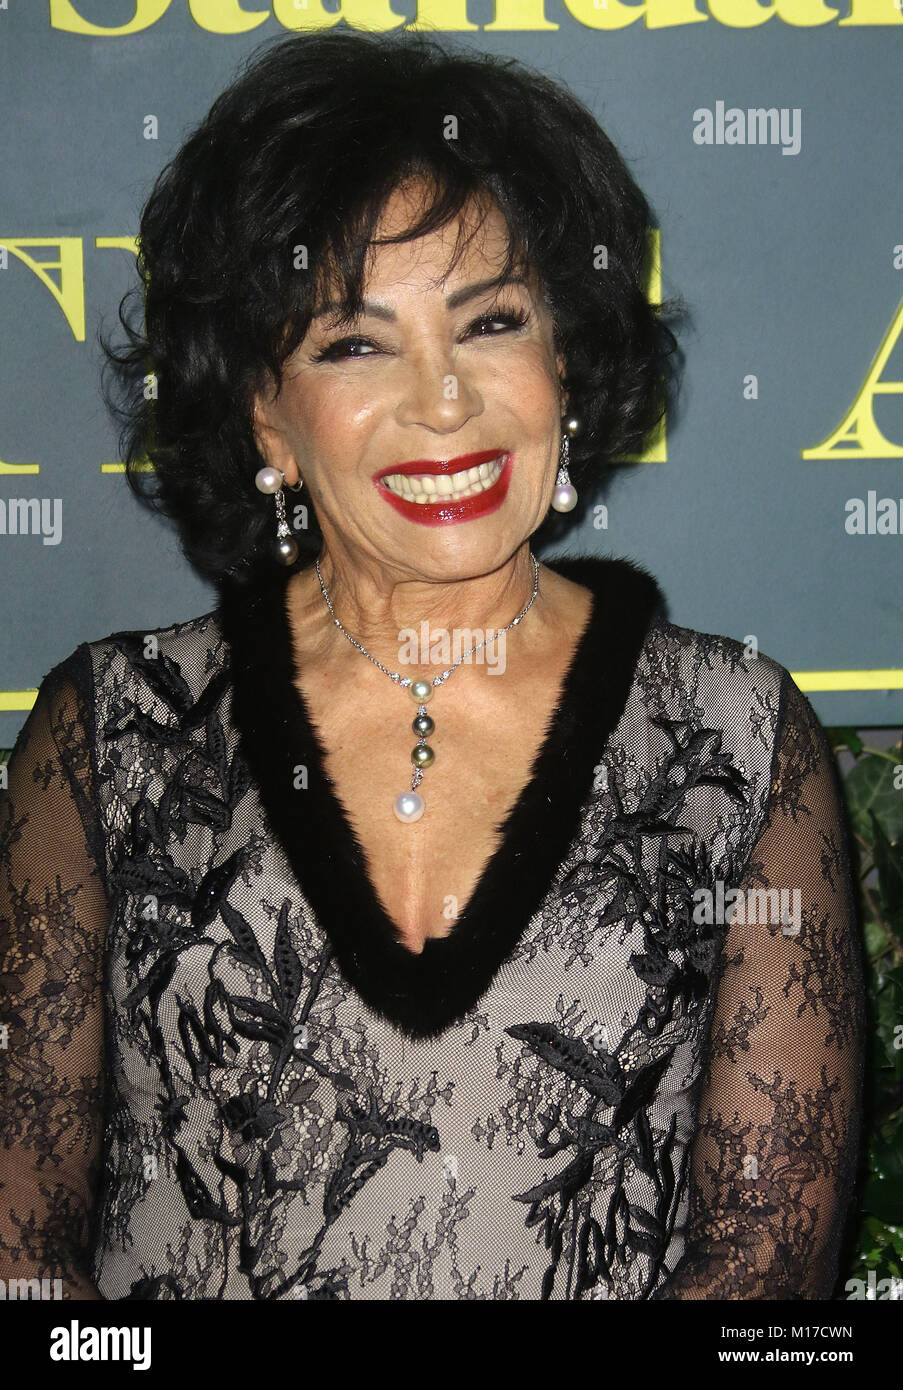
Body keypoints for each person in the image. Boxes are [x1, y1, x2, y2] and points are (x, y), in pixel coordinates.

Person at [0, 28, 865, 1302]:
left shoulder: (734, 739)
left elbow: (768, 1284)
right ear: (264, 411)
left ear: (563, 359)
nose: (445, 400)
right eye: (354, 342)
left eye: (493, 322)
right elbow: (23, 1259)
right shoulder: (110, 738)